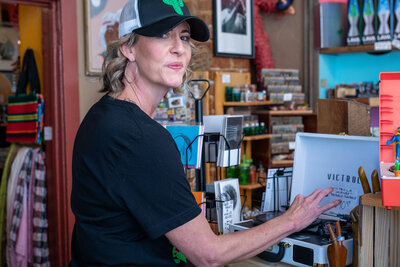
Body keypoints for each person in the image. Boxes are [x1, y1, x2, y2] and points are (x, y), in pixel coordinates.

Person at [70, 0, 341, 266]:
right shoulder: (140, 137)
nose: (179, 48)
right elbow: (208, 255)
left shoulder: (102, 116)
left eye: (184, 36)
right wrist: (293, 220)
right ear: (129, 47)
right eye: (163, 34)